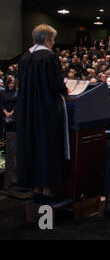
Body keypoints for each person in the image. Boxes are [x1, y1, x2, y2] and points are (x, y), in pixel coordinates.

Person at [17, 24, 69, 204]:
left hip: (27, 111)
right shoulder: (49, 57)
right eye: (53, 39)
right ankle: (47, 190)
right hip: (44, 110)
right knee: (47, 147)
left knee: (32, 145)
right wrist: (65, 89)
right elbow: (56, 85)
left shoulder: (24, 58)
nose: (53, 43)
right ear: (47, 39)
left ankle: (36, 188)